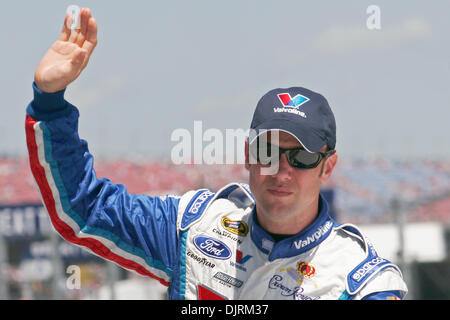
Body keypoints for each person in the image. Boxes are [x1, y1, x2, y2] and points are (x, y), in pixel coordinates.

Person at [25, 8, 407, 300]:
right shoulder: (193, 226)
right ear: (247, 154)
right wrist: (50, 103)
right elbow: (83, 210)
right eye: (268, 151)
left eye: (302, 157)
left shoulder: (363, 281)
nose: (282, 170)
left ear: (328, 167)